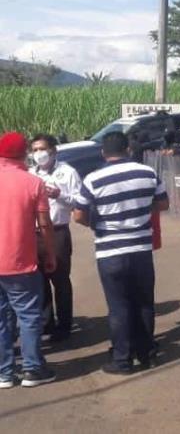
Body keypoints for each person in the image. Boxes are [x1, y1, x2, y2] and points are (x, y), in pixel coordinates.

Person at [73, 132, 169, 375]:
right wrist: (141, 213)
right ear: (127, 148)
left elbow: (78, 215)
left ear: (103, 152)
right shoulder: (147, 173)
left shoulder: (93, 179)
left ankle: (122, 360)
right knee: (144, 303)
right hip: (140, 249)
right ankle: (147, 354)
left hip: (110, 251)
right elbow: (163, 203)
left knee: (118, 307)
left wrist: (97, 225)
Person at [0, 132, 57, 388]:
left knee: (1, 319)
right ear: (25, 154)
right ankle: (33, 369)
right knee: (29, 316)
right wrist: (50, 254)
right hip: (22, 261)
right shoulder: (33, 183)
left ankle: (4, 373)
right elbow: (44, 225)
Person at [30, 134, 81, 343]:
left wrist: (59, 194)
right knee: (38, 280)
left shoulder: (67, 172)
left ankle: (65, 325)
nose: (38, 154)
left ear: (53, 151)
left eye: (42, 149)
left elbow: (79, 201)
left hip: (57, 230)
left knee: (60, 279)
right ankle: (46, 323)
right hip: (32, 233)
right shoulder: (29, 174)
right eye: (34, 150)